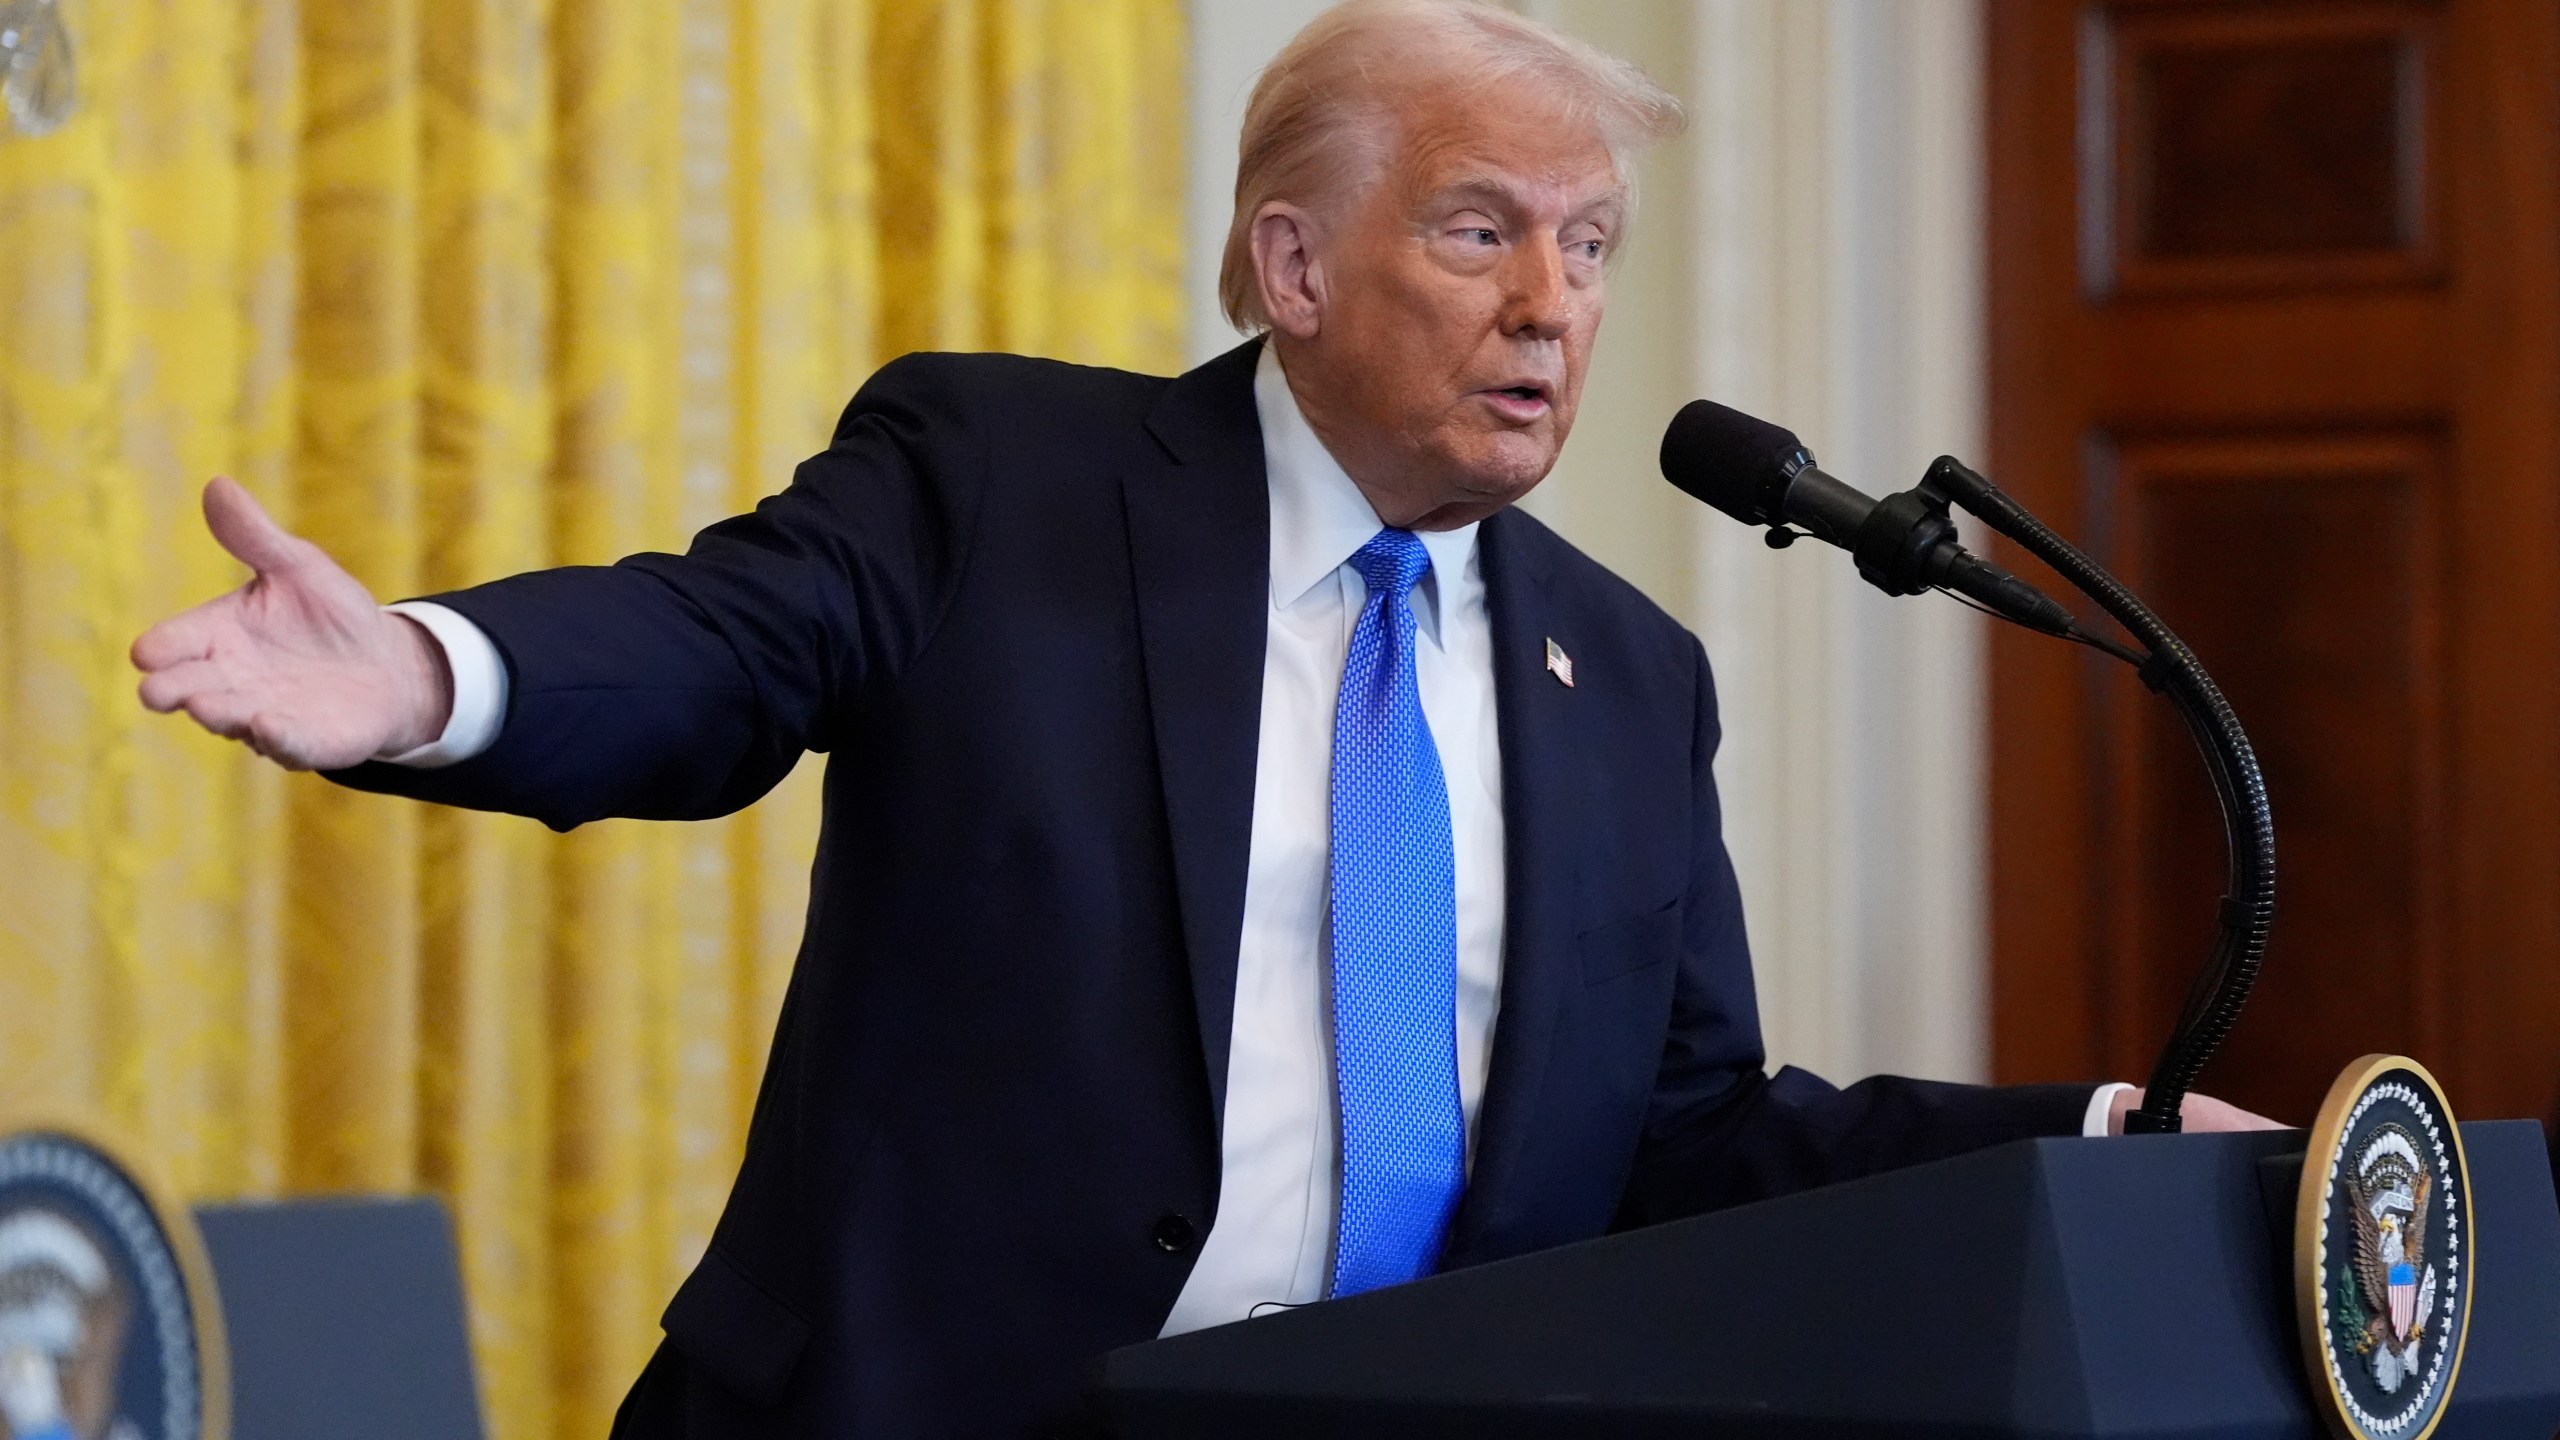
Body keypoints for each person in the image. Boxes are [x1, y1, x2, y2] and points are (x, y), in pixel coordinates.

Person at [129, 2, 2275, 1434]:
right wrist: (428, 671)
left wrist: (2088, 1145)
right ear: (1289, 266)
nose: (1554, 305)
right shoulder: (1005, 482)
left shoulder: (1624, 678)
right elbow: (726, 648)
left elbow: (1685, 1144)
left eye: (1592, 247)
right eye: (1480, 231)